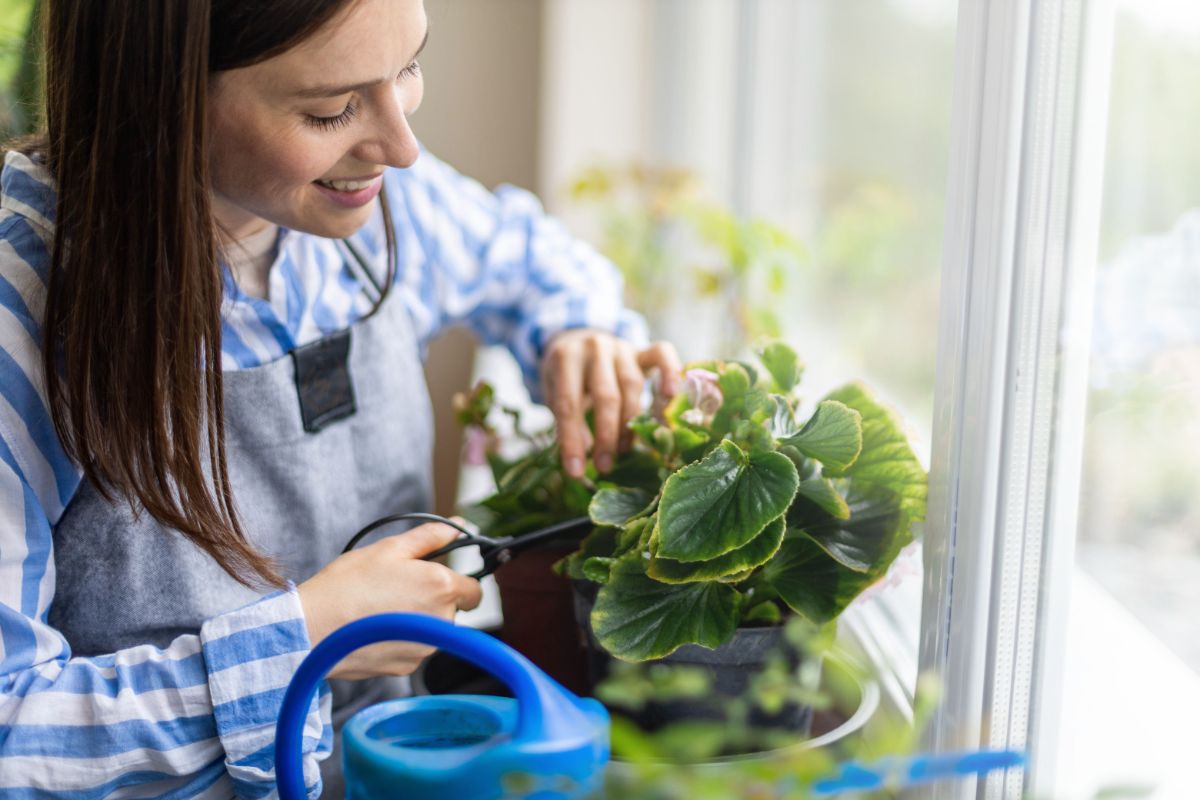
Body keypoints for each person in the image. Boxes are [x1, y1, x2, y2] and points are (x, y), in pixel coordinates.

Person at [0, 0, 681, 796]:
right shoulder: (25, 315)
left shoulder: (384, 208)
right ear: (160, 97)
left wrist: (581, 336)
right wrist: (305, 641)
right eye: (331, 110)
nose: (402, 148)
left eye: (409, 68)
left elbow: (534, 260)